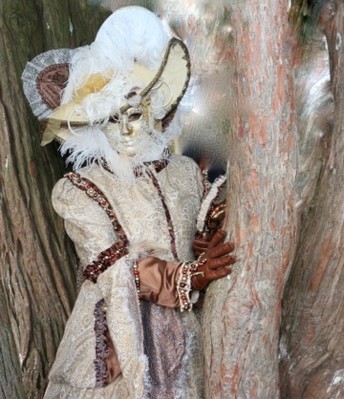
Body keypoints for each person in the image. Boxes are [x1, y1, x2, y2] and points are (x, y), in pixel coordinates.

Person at [22, 6, 233, 397]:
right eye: (111, 118)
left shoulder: (185, 172)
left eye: (134, 113)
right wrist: (189, 277)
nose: (125, 128)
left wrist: (207, 240)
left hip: (196, 331)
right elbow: (114, 269)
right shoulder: (80, 189)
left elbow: (207, 225)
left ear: (154, 109)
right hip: (123, 341)